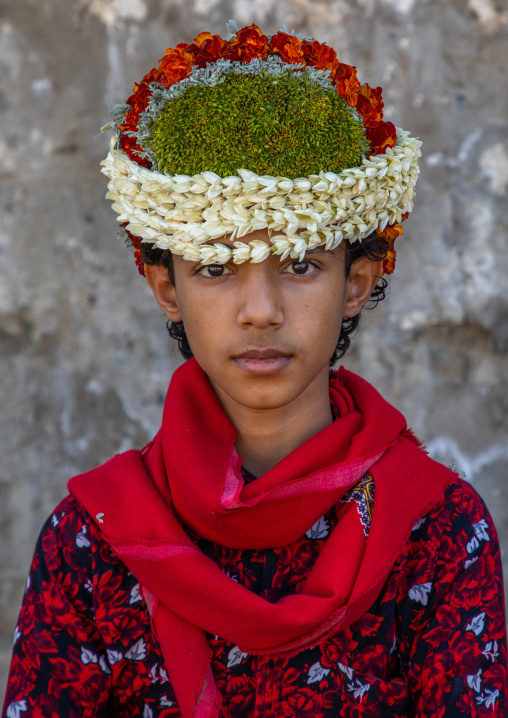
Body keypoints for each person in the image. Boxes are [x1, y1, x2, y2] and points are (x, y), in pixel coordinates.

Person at [2, 21, 507, 718]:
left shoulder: (436, 532)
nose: (260, 310)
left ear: (357, 282)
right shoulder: (93, 540)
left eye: (301, 266)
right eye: (216, 267)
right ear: (167, 289)